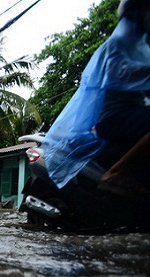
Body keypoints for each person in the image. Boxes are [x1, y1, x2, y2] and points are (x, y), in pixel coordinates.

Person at [42, 0, 150, 194]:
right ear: (137, 13)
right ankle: (117, 172)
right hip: (113, 119)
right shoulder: (116, 45)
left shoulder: (142, 50)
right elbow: (122, 75)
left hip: (134, 116)